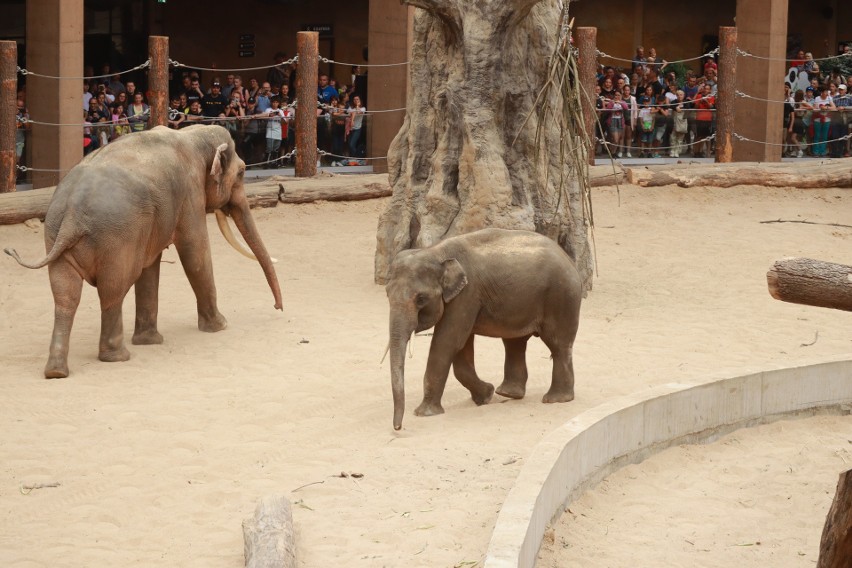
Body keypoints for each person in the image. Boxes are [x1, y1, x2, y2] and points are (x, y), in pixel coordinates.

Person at [811, 84, 835, 157]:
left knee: (824, 136)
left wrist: (826, 107)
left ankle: (823, 151)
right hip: (818, 119)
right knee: (817, 135)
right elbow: (814, 109)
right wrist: (820, 108)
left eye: (827, 91)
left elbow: (834, 107)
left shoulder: (829, 98)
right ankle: (816, 152)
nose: (826, 93)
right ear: (822, 92)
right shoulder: (817, 98)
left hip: (827, 119)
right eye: (825, 91)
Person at [692, 84, 715, 158]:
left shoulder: (711, 97)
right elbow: (695, 106)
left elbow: (711, 107)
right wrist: (699, 101)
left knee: (707, 137)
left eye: (708, 89)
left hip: (708, 119)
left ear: (710, 90)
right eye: (705, 89)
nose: (706, 90)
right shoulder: (699, 96)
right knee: (698, 136)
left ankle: (708, 152)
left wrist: (706, 101)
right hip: (699, 119)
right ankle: (697, 152)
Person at [264, 97, 286, 168]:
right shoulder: (268, 110)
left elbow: (284, 122)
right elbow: (265, 118)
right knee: (269, 147)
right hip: (270, 130)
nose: (275, 104)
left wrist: (280, 116)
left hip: (278, 130)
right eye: (273, 102)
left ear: (278, 103)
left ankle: (274, 162)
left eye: (276, 102)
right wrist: (271, 115)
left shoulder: (280, 111)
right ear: (271, 103)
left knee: (276, 148)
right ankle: (267, 162)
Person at [604, 91, 628, 158]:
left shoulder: (623, 102)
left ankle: (613, 153)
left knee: (617, 140)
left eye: (618, 95)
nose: (617, 96)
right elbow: (608, 110)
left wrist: (620, 102)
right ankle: (612, 152)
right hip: (612, 121)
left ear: (621, 95)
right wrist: (613, 104)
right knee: (615, 139)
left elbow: (626, 108)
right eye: (616, 95)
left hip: (620, 121)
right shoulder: (611, 102)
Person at [789, 89, 809, 157]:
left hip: (799, 120)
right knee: (793, 137)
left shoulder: (802, 101)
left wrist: (803, 107)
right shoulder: (794, 101)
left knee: (793, 138)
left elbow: (811, 107)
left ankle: (800, 150)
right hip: (794, 119)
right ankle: (795, 151)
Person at [347, 94, 366, 159]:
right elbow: (350, 113)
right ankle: (352, 159)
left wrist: (357, 106)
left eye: (357, 99)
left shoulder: (363, 108)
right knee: (350, 145)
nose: (356, 100)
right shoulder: (350, 107)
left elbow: (358, 112)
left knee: (352, 144)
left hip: (357, 128)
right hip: (350, 128)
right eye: (354, 99)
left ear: (360, 100)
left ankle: (356, 158)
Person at [620, 84, 637, 158]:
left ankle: (628, 151)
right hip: (621, 118)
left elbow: (635, 110)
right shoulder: (620, 98)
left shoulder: (633, 98)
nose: (626, 91)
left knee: (629, 136)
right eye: (625, 90)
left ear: (630, 91)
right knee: (622, 136)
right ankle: (620, 151)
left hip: (630, 119)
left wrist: (635, 120)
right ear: (623, 90)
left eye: (628, 90)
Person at [671, 90, 689, 158]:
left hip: (682, 121)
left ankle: (677, 151)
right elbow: (670, 106)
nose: (679, 96)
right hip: (674, 121)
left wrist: (681, 108)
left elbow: (688, 108)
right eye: (678, 95)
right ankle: (673, 151)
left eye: (681, 95)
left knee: (680, 138)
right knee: (673, 137)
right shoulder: (674, 102)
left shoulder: (686, 102)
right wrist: (676, 108)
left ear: (683, 95)